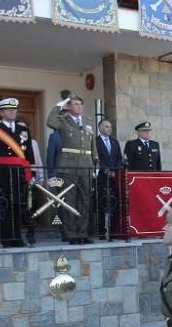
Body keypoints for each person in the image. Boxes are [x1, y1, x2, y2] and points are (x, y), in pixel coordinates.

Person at [46, 95, 97, 245]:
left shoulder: (88, 122)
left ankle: (82, 232)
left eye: (80, 104)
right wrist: (59, 106)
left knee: (85, 200)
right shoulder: (62, 120)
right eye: (75, 104)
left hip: (86, 164)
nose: (79, 106)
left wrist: (94, 163)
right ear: (69, 107)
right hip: (69, 166)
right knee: (69, 200)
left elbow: (92, 144)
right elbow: (50, 121)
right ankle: (71, 234)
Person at [0, 98, 32, 247]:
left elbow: (29, 154)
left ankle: (17, 237)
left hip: (19, 172)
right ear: (1, 112)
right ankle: (6, 238)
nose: (12, 112)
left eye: (14, 109)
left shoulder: (23, 130)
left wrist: (32, 174)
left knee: (19, 204)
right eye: (9, 110)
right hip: (3, 172)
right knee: (5, 204)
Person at [95, 119, 123, 237]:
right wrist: (105, 170)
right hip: (101, 175)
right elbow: (95, 158)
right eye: (106, 126)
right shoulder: (95, 141)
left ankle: (113, 230)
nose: (109, 128)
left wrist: (115, 171)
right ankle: (101, 231)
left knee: (114, 202)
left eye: (110, 126)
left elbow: (119, 158)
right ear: (100, 128)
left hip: (114, 176)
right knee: (101, 202)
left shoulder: (114, 142)